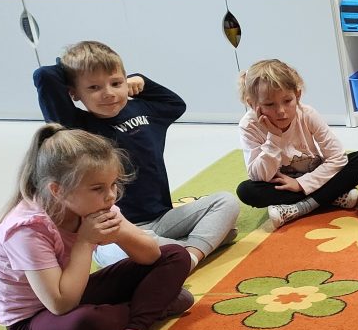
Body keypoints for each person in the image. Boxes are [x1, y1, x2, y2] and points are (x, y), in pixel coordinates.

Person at [0, 125, 193, 330]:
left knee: (175, 254)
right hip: (35, 318)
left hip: (77, 288)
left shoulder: (94, 206)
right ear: (57, 190)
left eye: (113, 184)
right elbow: (60, 304)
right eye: (98, 188)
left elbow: (152, 256)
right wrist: (85, 242)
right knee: (88, 323)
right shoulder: (27, 230)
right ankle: (153, 306)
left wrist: (120, 233)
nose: (111, 196)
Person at [33, 41, 239, 269]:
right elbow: (44, 76)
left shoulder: (143, 110)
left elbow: (175, 104)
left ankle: (189, 255)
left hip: (163, 218)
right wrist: (71, 67)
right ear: (73, 93)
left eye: (116, 83)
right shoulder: (76, 128)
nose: (108, 93)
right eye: (93, 87)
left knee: (226, 201)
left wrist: (141, 81)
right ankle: (199, 244)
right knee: (122, 254)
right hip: (117, 231)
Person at [235, 59, 358, 228]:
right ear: (252, 104)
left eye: (288, 101)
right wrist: (274, 138)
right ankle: (331, 196)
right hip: (284, 184)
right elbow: (259, 177)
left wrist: (301, 184)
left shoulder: (307, 114)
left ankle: (300, 207)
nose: (281, 111)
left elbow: (337, 157)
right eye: (269, 104)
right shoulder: (248, 125)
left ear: (298, 95)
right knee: (246, 191)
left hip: (315, 174)